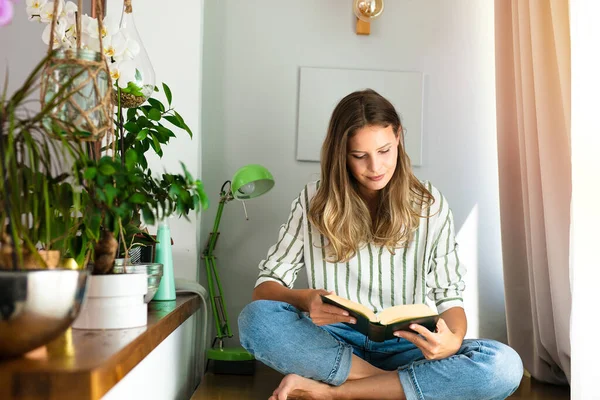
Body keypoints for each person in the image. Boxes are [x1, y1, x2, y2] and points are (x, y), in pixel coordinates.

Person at [238, 89, 523, 400]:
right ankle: (394, 388)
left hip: (408, 345)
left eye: (385, 150)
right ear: (341, 153)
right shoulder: (313, 201)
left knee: (504, 366)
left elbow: (449, 296)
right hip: (332, 347)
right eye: (359, 156)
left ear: (398, 136)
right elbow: (264, 289)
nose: (375, 167)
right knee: (256, 321)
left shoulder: (429, 204)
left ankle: (336, 394)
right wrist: (307, 300)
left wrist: (452, 341)